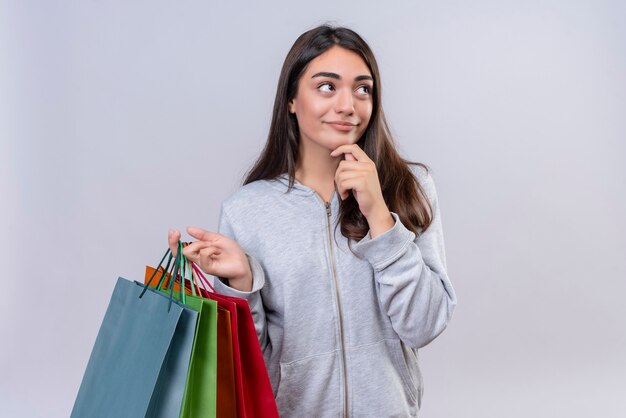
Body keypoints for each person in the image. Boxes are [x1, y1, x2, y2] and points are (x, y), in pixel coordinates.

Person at [168, 24, 457, 418]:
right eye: (327, 86)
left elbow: (423, 324)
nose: (348, 105)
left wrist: (378, 215)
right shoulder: (246, 210)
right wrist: (242, 287)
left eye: (362, 88)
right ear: (291, 98)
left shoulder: (409, 187)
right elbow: (252, 367)